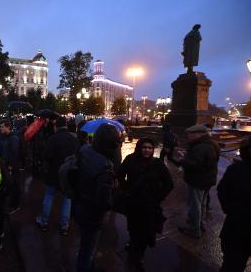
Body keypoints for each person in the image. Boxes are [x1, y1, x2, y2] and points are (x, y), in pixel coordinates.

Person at [117, 138, 173, 271]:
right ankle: (133, 243)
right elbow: (120, 174)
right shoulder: (130, 159)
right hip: (133, 201)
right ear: (139, 148)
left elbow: (168, 183)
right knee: (133, 226)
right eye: (144, 147)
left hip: (149, 204)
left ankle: (139, 255)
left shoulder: (157, 163)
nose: (147, 150)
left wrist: (158, 197)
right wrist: (126, 188)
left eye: (149, 148)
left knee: (145, 229)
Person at [73, 124, 120, 272]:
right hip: (91, 213)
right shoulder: (105, 166)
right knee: (88, 247)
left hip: (79, 203)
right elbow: (102, 201)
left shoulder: (85, 150)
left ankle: (85, 262)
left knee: (84, 241)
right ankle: (84, 266)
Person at [35, 116, 79, 235]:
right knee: (67, 199)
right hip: (68, 174)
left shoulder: (53, 139)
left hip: (53, 173)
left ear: (56, 126)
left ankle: (44, 222)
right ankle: (64, 225)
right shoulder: (73, 139)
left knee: (49, 196)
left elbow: (46, 156)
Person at [176, 124, 220, 238]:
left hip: (198, 180)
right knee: (202, 204)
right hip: (207, 179)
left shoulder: (200, 147)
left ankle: (194, 229)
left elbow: (195, 165)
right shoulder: (211, 143)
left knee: (194, 205)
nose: (188, 136)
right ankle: (200, 224)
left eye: (190, 134)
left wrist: (182, 160)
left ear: (198, 134)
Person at [217, 136, 251, 272]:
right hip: (237, 226)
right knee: (233, 264)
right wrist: (232, 210)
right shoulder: (236, 169)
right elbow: (223, 191)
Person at [0, 119, 21, 213]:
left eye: (2, 126)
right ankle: (12, 204)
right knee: (11, 185)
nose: (0, 128)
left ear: (8, 127)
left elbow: (14, 153)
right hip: (7, 164)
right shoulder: (7, 137)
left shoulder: (13, 138)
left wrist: (11, 165)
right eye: (0, 127)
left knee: (14, 185)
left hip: (12, 166)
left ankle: (15, 206)